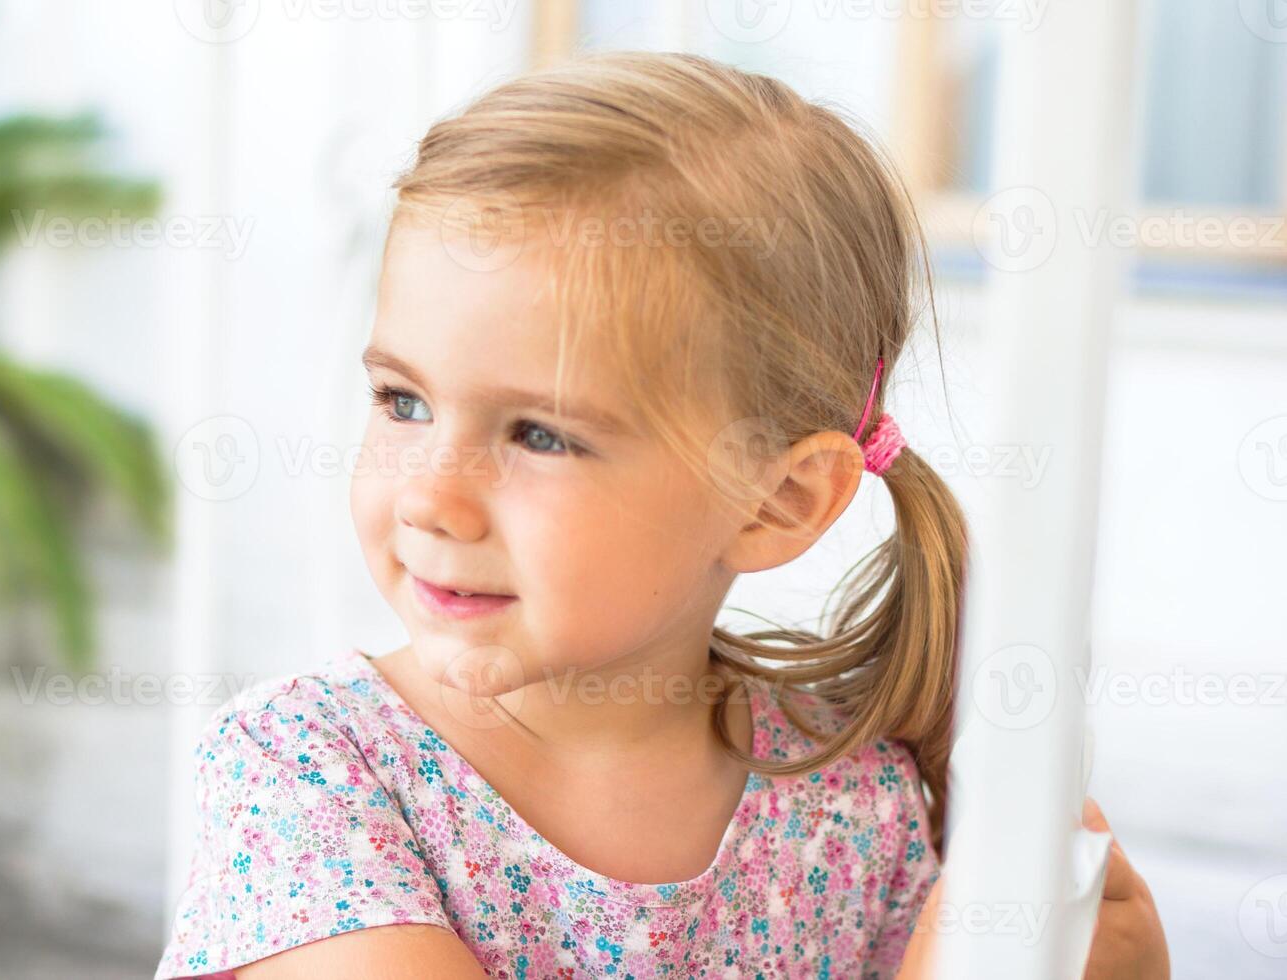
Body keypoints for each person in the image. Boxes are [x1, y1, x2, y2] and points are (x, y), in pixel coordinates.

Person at [154, 50, 1167, 979]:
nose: (430, 493)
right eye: (402, 401)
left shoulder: (857, 809)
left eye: (539, 435)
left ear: (776, 500)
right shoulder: (309, 769)